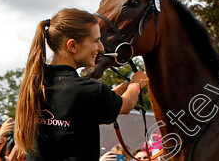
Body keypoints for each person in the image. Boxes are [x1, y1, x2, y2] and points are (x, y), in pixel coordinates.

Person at [14, 8, 148, 160]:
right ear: (72, 46)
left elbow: (73, 111)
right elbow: (127, 105)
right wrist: (136, 84)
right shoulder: (88, 90)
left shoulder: (34, 84)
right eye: (96, 41)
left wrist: (112, 95)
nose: (101, 48)